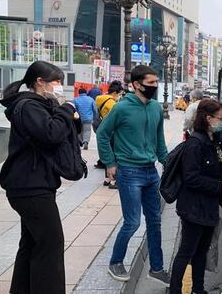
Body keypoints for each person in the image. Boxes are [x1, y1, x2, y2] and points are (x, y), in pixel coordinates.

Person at [0, 61, 79, 294]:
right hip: (30, 186)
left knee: (32, 243)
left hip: (31, 184)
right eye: (55, 82)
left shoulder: (38, 105)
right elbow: (51, 134)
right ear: (39, 82)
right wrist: (64, 110)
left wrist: (59, 109)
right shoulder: (28, 106)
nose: (59, 86)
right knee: (50, 245)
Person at [96, 65, 170, 284]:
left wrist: (168, 163)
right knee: (132, 222)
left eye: (157, 82)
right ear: (136, 84)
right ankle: (115, 262)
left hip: (151, 172)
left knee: (155, 221)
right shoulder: (121, 108)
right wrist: (110, 163)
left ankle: (157, 269)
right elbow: (102, 134)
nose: (155, 87)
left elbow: (160, 140)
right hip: (129, 172)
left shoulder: (156, 108)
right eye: (150, 83)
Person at [170, 99, 222, 294]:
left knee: (202, 252)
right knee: (186, 252)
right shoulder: (195, 144)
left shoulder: (215, 140)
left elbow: (218, 167)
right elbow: (191, 178)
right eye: (220, 118)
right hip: (193, 208)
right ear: (208, 118)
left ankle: (198, 289)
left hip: (208, 206)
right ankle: (175, 290)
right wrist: (219, 185)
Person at [95, 80, 123, 189]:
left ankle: (107, 178)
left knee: (108, 153)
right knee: (114, 155)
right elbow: (116, 118)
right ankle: (113, 180)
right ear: (115, 93)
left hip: (104, 127)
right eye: (119, 94)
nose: (120, 97)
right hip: (112, 131)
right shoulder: (112, 103)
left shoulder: (100, 99)